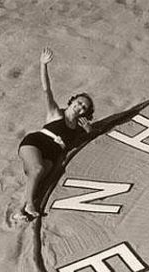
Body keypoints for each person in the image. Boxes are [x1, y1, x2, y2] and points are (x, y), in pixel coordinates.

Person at [15, 47, 94, 222]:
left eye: (84, 107)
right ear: (72, 100)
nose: (80, 107)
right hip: (35, 143)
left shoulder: (79, 127)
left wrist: (89, 130)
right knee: (38, 169)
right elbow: (46, 89)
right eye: (79, 102)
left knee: (38, 181)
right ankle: (29, 205)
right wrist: (43, 65)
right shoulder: (56, 113)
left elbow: (89, 139)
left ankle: (19, 211)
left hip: (52, 154)